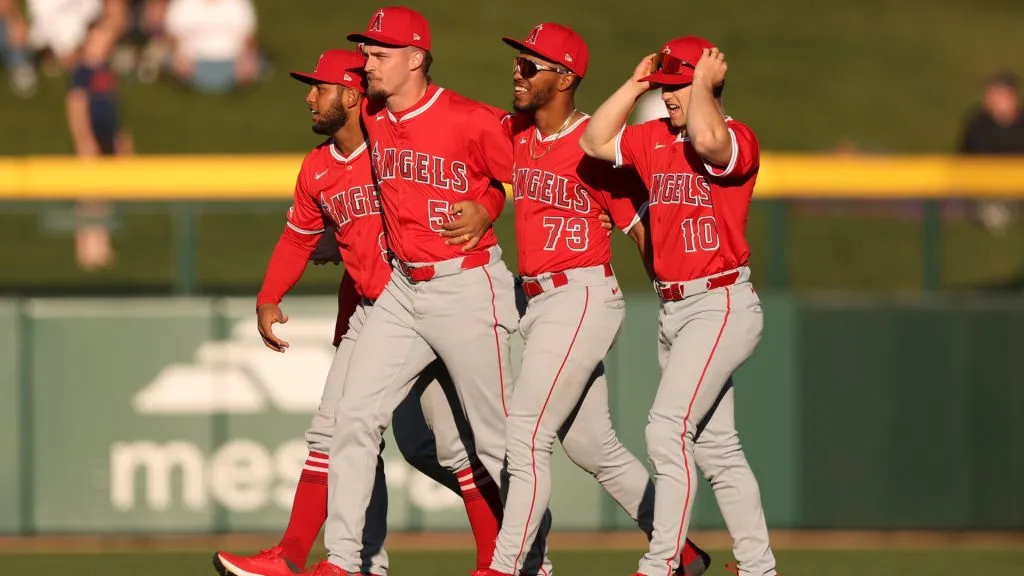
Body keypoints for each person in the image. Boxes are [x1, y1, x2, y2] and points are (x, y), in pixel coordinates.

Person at [212, 48, 505, 576]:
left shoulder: (393, 138)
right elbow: (297, 236)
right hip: (379, 308)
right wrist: (269, 296)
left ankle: (504, 555)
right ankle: (333, 560)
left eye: (319, 87)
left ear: (351, 95)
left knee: (454, 447)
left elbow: (474, 173)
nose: (308, 97)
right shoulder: (320, 167)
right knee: (349, 431)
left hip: (440, 295)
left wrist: (489, 206)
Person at [309, 7, 555, 576]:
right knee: (353, 416)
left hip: (467, 285)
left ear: (416, 59)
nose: (366, 64)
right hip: (402, 286)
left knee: (496, 443)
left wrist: (489, 204)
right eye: (365, 54)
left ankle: (532, 562)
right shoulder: (371, 112)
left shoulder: (469, 119)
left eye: (379, 54)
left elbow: (532, 173)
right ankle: (344, 561)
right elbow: (341, 160)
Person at [475, 22, 708, 576]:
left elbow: (646, 234)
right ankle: (680, 551)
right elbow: (468, 160)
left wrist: (686, 302)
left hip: (580, 296)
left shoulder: (596, 151)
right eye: (518, 62)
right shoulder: (518, 135)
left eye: (531, 65)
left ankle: (506, 567)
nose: (517, 71)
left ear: (565, 77)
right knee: (591, 448)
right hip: (537, 302)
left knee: (526, 434)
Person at [580, 36, 778, 576]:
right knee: (718, 450)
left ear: (706, 86)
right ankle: (759, 567)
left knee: (667, 430)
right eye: (665, 88)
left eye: (677, 87)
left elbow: (711, 142)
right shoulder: (651, 139)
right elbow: (596, 141)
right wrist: (637, 83)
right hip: (676, 310)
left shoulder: (736, 137)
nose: (668, 97)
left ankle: (661, 561)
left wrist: (704, 88)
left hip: (720, 302)